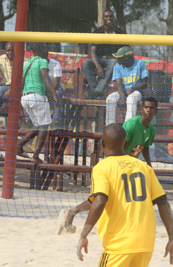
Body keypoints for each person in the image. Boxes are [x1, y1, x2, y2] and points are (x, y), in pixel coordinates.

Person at [76, 123, 173, 267]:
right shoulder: (143, 167)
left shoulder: (102, 168)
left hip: (120, 242)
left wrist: (83, 233)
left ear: (102, 144)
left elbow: (99, 200)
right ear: (126, 143)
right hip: (146, 240)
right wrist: (171, 237)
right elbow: (163, 202)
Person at [57, 97, 159, 235]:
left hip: (128, 167)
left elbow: (145, 147)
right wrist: (125, 162)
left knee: (126, 197)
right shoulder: (132, 125)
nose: (149, 110)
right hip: (112, 164)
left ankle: (130, 224)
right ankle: (73, 212)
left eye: (152, 108)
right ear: (141, 109)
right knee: (99, 199)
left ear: (156, 111)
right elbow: (118, 146)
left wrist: (149, 165)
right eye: (146, 107)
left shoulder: (151, 129)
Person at [16, 43, 58, 163]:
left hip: (25, 98)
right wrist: (54, 93)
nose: (47, 52)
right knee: (44, 127)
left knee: (38, 126)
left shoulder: (27, 62)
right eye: (46, 49)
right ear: (42, 51)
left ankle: (19, 145)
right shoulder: (42, 61)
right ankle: (35, 155)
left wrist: (19, 103)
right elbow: (45, 75)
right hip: (37, 96)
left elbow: (21, 82)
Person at [82, 9, 126, 99]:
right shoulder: (97, 32)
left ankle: (96, 92)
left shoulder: (120, 33)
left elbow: (126, 49)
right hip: (99, 59)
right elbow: (92, 51)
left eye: (111, 16)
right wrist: (98, 66)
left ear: (114, 18)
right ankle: (96, 91)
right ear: (103, 18)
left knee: (113, 62)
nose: (109, 18)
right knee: (85, 63)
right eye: (106, 16)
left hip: (114, 60)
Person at [106, 46, 148, 126]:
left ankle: (128, 126)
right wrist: (122, 96)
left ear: (127, 57)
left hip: (137, 92)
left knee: (131, 98)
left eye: (119, 58)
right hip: (122, 91)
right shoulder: (117, 66)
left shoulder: (140, 64)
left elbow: (145, 83)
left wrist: (132, 88)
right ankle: (110, 126)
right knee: (110, 98)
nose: (117, 60)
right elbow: (119, 83)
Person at [47, 55, 64, 124]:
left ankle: (56, 121)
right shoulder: (35, 64)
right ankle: (28, 120)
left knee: (56, 93)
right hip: (42, 89)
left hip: (56, 89)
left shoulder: (56, 64)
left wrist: (48, 93)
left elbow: (56, 84)